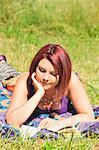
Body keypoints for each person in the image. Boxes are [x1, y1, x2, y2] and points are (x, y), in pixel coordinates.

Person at [5, 44, 94, 132]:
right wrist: (39, 93)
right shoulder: (25, 81)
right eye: (42, 70)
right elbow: (12, 121)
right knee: (8, 77)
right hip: (12, 80)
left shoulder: (70, 80)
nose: (45, 78)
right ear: (34, 67)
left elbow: (88, 115)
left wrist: (60, 122)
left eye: (53, 73)